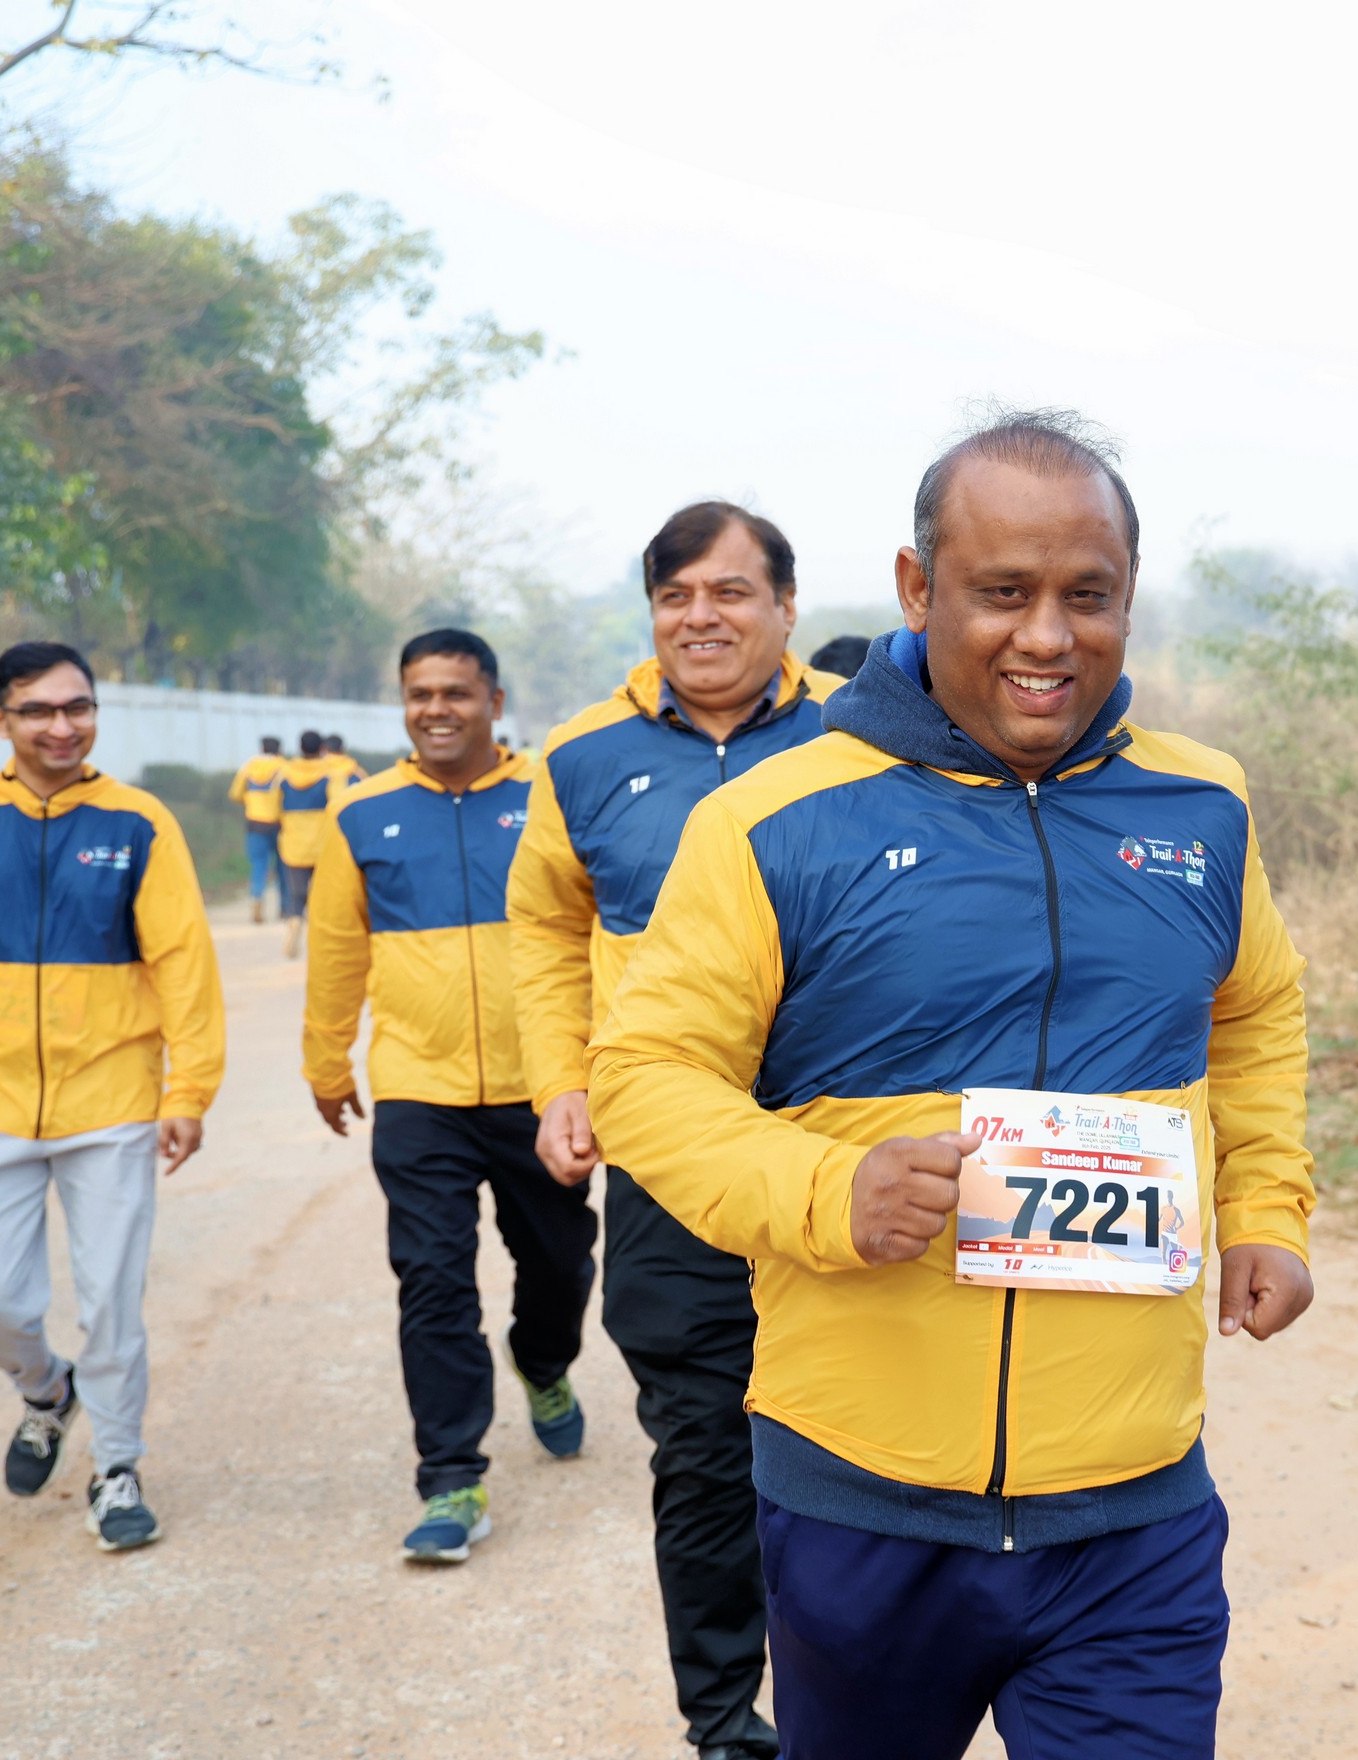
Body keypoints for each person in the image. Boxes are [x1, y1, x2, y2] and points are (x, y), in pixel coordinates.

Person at [586, 411, 1316, 1760]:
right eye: (1004, 592)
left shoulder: (1202, 807)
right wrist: (830, 1189)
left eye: (1088, 595)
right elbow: (645, 1075)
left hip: (1131, 1510)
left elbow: (1253, 1011)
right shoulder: (773, 821)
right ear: (918, 588)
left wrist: (1268, 1205)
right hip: (863, 1504)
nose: (1049, 637)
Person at [508, 501, 844, 1760]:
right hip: (670, 1154)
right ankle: (724, 1722)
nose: (700, 617)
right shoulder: (584, 755)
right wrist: (563, 1080)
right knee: (702, 1440)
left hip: (838, 1150)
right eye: (675, 595)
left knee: (846, 1435)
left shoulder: (859, 735)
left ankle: (843, 1709)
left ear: (786, 607)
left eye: (729, 591)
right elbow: (547, 926)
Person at [0, 640, 226, 1553]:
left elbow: (183, 963)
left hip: (111, 1101)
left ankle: (117, 1467)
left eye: (78, 708)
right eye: (38, 711)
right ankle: (45, 1389)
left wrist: (188, 1088)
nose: (62, 727)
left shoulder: (139, 822)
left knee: (111, 1300)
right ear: (0, 721)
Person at [302, 629, 597, 1564]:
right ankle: (451, 1477)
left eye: (456, 693)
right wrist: (326, 1062)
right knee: (432, 1279)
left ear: (494, 703)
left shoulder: (548, 795)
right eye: (419, 694)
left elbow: (590, 929)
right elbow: (336, 949)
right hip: (418, 1091)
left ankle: (542, 1363)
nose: (436, 710)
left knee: (560, 1266)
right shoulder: (361, 813)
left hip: (540, 1087)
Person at [275, 730, 338, 958]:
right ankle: (321, 940)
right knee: (322, 895)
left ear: (300, 748)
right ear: (322, 749)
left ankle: (294, 924)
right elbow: (339, 807)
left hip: (294, 845)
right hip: (323, 847)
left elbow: (274, 810)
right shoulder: (331, 775)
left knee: (297, 894)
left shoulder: (284, 775)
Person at [227, 736, 287, 923]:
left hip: (255, 823)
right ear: (279, 750)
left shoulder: (248, 767)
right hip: (279, 823)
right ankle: (284, 907)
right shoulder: (284, 767)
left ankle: (257, 900)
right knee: (282, 866)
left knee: (259, 865)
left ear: (262, 748)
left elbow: (235, 794)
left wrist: (250, 801)